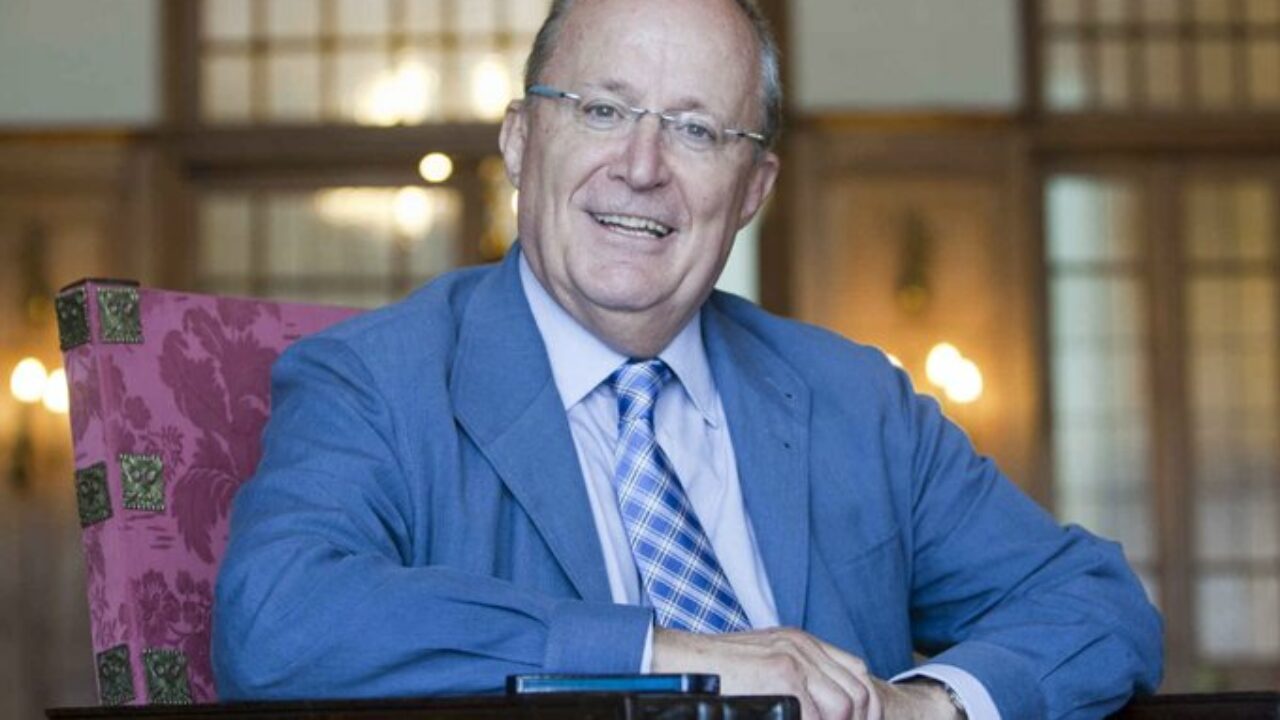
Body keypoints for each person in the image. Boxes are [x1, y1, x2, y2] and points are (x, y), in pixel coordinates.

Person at [212, 0, 1163, 717]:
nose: (641, 166)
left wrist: (931, 705)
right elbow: (278, 619)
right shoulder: (373, 381)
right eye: (601, 110)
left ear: (752, 189)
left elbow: (1095, 602)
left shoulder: (856, 400)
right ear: (520, 139)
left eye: (699, 130)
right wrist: (660, 656)